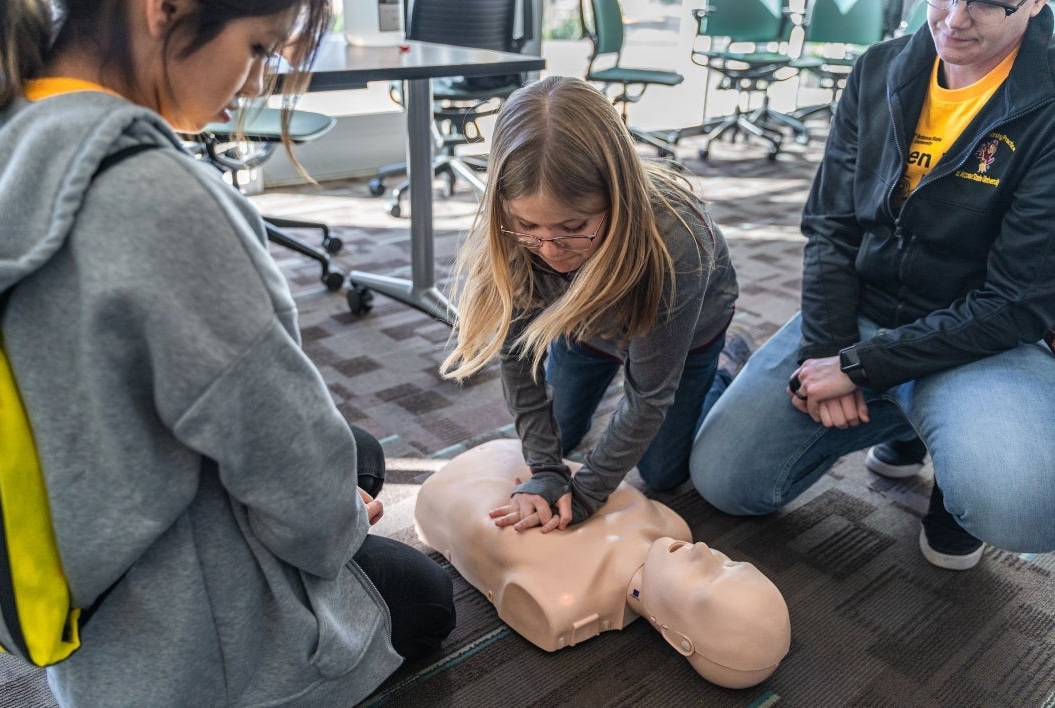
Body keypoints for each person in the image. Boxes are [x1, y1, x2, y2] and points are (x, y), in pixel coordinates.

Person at [0, 1, 454, 705]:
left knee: (356, 449)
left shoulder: (13, 129)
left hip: (63, 553)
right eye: (260, 48)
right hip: (185, 644)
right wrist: (341, 521)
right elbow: (288, 460)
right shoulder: (156, 198)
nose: (257, 83)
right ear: (163, 10)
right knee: (426, 591)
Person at [691, 0, 1055, 571]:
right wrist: (829, 349)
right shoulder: (879, 68)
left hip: (984, 339)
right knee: (725, 482)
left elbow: (1014, 300)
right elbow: (830, 227)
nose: (955, 19)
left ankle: (942, 451)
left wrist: (863, 367)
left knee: (1027, 507)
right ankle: (910, 420)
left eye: (987, 1)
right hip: (866, 309)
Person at [440, 75, 741, 532]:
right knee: (560, 437)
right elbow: (518, 359)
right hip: (583, 325)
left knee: (662, 473)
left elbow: (649, 394)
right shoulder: (515, 232)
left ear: (616, 199)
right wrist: (545, 470)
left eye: (573, 226)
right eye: (528, 226)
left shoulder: (679, 240)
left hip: (683, 331)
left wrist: (584, 495)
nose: (550, 249)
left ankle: (726, 370)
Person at [414, 439, 791, 689]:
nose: (704, 551)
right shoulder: (670, 527)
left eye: (706, 580)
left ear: (680, 640)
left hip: (449, 492)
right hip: (515, 459)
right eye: (728, 563)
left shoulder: (560, 602)